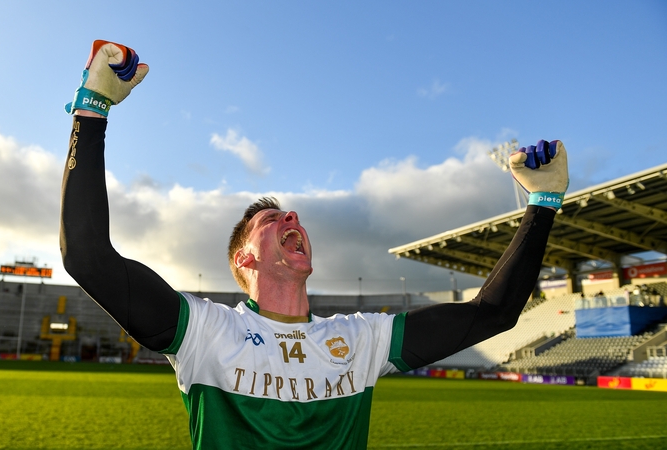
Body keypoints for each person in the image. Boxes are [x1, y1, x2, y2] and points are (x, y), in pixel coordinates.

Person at [60, 40, 569, 449]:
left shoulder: (363, 341)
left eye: (293, 215)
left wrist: (543, 202)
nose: (293, 218)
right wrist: (92, 109)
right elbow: (86, 255)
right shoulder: (205, 333)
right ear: (245, 258)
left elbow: (493, 312)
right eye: (273, 218)